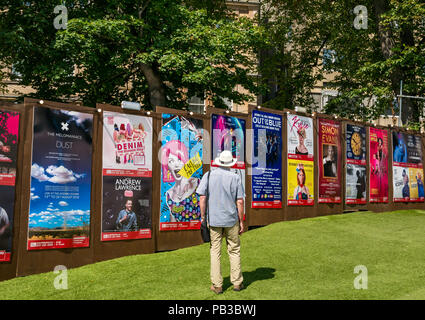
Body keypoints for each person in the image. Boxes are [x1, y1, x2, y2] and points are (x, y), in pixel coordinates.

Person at [197, 150, 245, 294]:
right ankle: (237, 283)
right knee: (234, 249)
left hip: (214, 220)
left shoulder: (209, 175)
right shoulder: (235, 177)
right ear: (230, 163)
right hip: (231, 220)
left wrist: (203, 216)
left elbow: (202, 198)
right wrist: (241, 221)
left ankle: (217, 285)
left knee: (215, 251)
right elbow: (240, 201)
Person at [162, 140, 200, 222]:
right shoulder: (169, 195)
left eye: (179, 159)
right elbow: (173, 222)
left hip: (198, 232)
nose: (176, 164)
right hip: (180, 234)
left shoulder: (197, 183)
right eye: (171, 161)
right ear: (167, 167)